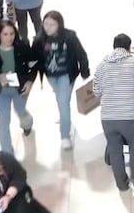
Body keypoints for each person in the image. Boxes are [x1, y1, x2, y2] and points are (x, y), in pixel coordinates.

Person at [93, 33, 134, 191]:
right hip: (130, 118)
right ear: (129, 47)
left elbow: (96, 91)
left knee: (115, 151)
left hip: (108, 119)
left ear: (114, 47)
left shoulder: (101, 66)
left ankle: (122, 185)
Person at [31, 11, 90, 150]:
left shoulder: (69, 36)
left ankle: (65, 136)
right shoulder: (40, 39)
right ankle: (64, 115)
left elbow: (81, 54)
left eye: (52, 25)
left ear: (59, 25)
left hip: (67, 74)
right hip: (51, 75)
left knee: (63, 102)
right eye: (46, 24)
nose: (48, 28)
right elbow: (33, 56)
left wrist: (84, 71)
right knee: (61, 98)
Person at [0, 21, 37, 155]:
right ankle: (7, 154)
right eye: (5, 34)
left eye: (11, 34)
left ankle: (27, 123)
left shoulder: (22, 47)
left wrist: (29, 81)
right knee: (4, 120)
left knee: (20, 110)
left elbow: (33, 66)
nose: (9, 37)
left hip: (19, 90)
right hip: (0, 92)